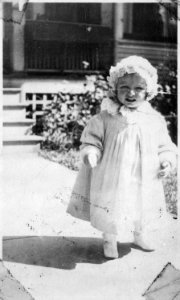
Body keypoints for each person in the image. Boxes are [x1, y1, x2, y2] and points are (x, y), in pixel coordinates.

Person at [67, 56, 177, 259]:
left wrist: (166, 160)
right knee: (111, 203)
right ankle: (110, 238)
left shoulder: (154, 120)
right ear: (114, 89)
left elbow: (164, 144)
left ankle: (139, 234)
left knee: (141, 203)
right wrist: (91, 152)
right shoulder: (105, 117)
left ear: (149, 91)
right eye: (124, 87)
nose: (131, 93)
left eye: (138, 88)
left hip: (143, 174)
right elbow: (92, 139)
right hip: (113, 174)